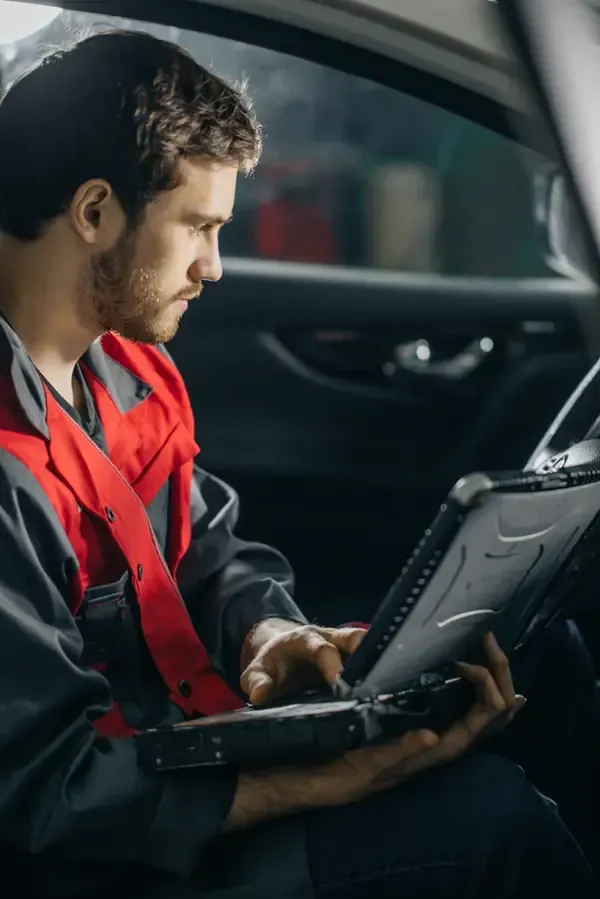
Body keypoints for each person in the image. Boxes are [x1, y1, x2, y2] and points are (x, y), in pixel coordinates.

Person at [0, 30, 595, 899]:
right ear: (95, 212)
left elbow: (204, 549)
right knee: (488, 821)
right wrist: (335, 778)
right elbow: (47, 798)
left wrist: (271, 634)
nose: (212, 266)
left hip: (187, 737)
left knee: (539, 658)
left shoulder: (123, 369)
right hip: (109, 847)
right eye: (199, 227)